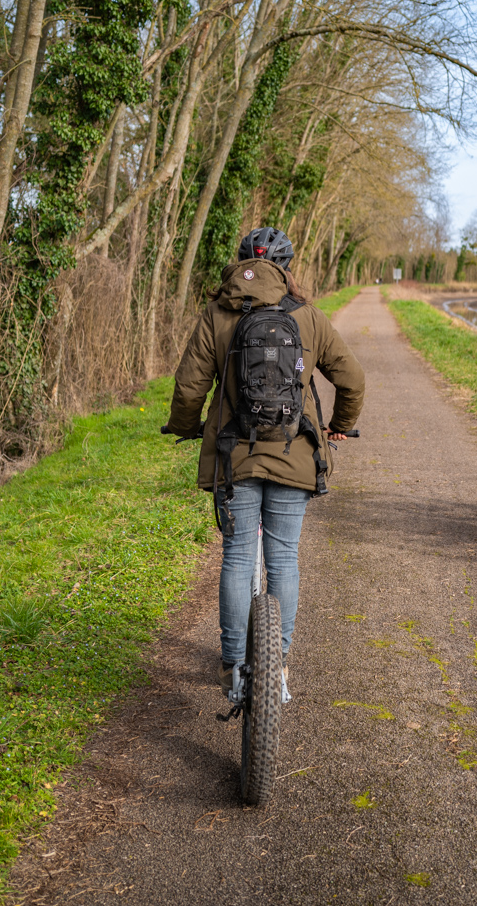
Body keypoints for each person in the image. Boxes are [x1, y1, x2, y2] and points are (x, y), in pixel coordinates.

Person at [164, 226, 366, 697]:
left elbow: (189, 386)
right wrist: (338, 423)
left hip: (234, 458)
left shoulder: (216, 314)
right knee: (284, 558)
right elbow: (353, 379)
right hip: (295, 456)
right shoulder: (308, 316)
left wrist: (184, 425)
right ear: (287, 269)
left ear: (239, 263)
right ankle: (279, 663)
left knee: (236, 557)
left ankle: (234, 664)